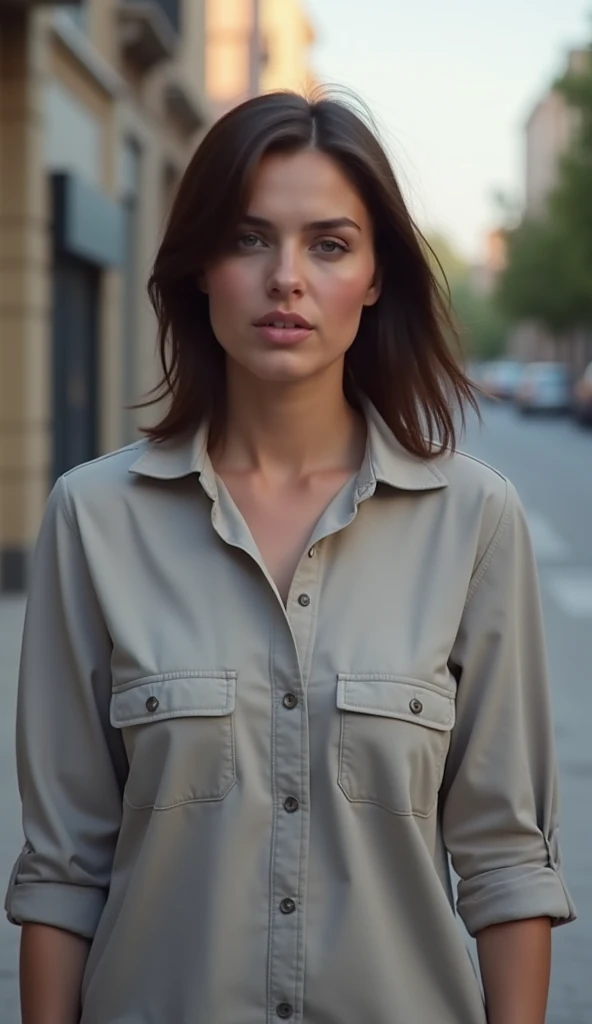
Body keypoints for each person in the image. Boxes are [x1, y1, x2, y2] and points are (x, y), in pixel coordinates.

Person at [6, 91, 575, 1024]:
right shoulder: (94, 518)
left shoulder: (474, 519)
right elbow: (63, 870)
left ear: (377, 276)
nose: (287, 278)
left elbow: (508, 862)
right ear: (200, 269)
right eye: (248, 239)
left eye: (329, 243)